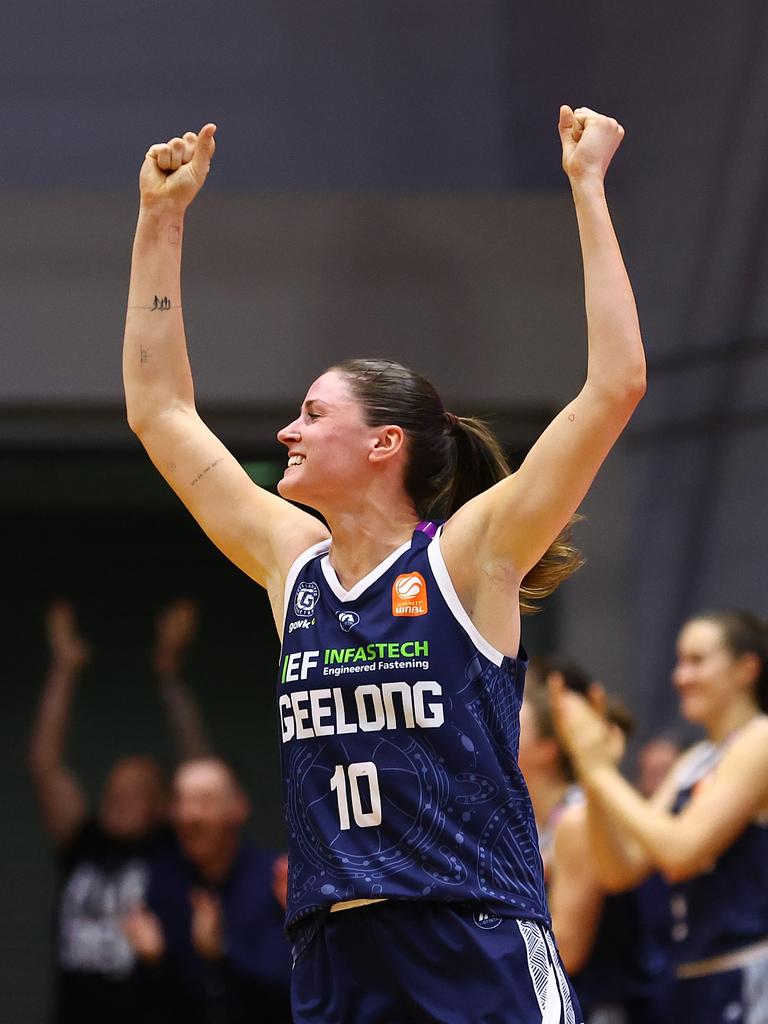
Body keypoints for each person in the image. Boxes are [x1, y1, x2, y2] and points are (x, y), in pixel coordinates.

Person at [123, 104, 645, 1022]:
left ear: (384, 444)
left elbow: (615, 387)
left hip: (469, 938)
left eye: (314, 415)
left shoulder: (473, 558)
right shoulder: (296, 567)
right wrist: (158, 222)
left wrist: (588, 188)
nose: (286, 429)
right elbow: (160, 413)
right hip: (333, 955)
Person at [551, 610, 768, 1023]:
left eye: (697, 660)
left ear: (746, 669)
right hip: (690, 982)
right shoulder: (696, 760)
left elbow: (681, 851)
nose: (680, 676)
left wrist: (597, 769)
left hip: (749, 974)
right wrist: (595, 779)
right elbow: (622, 869)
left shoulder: (761, 739)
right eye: (679, 661)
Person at [29, 599, 209, 1024]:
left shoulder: (174, 851)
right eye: (113, 788)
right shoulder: (84, 843)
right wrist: (65, 668)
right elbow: (45, 765)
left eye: (134, 790)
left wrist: (170, 677)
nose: (117, 797)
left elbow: (201, 770)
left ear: (166, 804)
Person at [520, 660, 671, 1023]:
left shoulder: (576, 819)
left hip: (602, 1009)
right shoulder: (537, 821)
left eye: (513, 725)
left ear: (547, 749)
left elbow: (566, 951)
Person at [123, 757, 292, 1022]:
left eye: (203, 801)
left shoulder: (275, 879)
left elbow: (290, 992)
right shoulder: (163, 884)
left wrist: (222, 954)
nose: (189, 815)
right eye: (180, 801)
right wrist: (154, 962)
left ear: (238, 807)